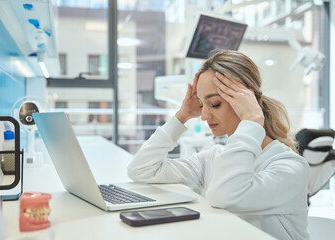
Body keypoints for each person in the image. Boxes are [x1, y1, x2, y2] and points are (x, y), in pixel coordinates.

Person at [128, 50, 310, 240]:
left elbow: (226, 196)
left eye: (214, 104)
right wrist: (182, 116)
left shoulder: (290, 167)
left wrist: (252, 120)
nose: (204, 116)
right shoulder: (214, 157)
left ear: (248, 100)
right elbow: (141, 170)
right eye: (200, 104)